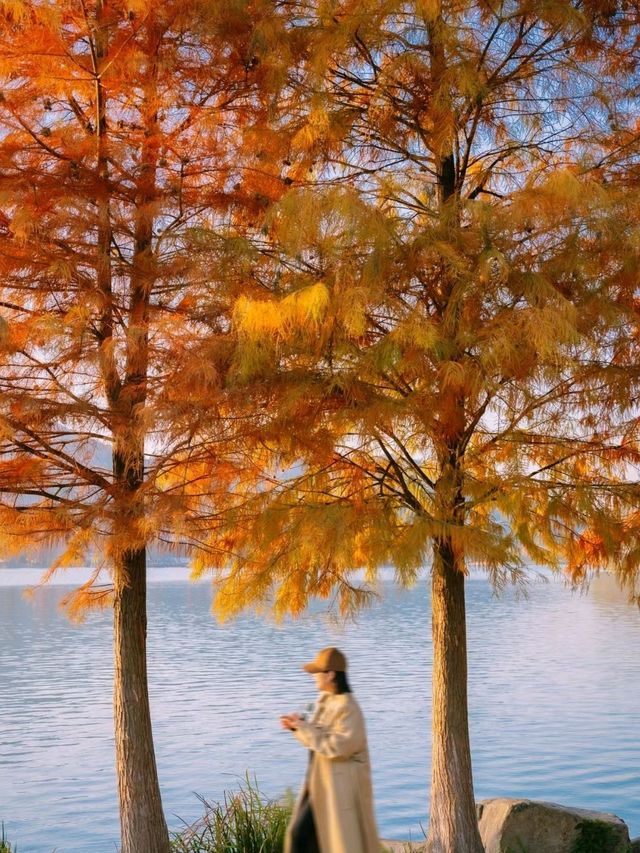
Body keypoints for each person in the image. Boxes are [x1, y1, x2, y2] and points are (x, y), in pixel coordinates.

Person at [280, 646, 380, 853]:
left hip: (339, 789)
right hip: (320, 782)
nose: (313, 677)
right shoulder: (326, 700)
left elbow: (336, 747)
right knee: (302, 838)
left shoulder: (349, 708)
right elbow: (318, 737)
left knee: (307, 838)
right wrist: (297, 726)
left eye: (317, 672)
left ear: (331, 674)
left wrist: (303, 727)